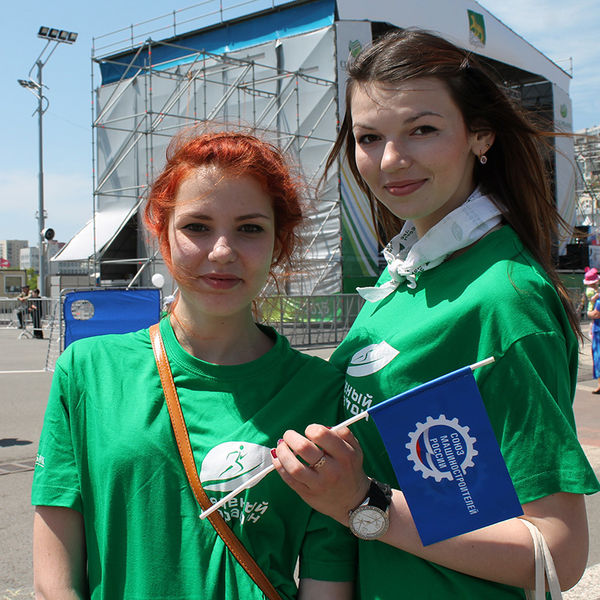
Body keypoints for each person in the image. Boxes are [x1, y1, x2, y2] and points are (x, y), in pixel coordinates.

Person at [272, 29, 599, 598]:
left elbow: (558, 554)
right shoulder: (402, 272)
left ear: (480, 134)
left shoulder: (505, 298)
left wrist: (364, 503)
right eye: (369, 137)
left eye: (422, 130)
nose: (390, 160)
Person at [32, 130, 355, 599]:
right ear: (161, 234)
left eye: (250, 228)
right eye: (197, 227)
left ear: (279, 243)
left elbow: (328, 574)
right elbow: (54, 581)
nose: (222, 251)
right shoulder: (86, 371)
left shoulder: (320, 390)